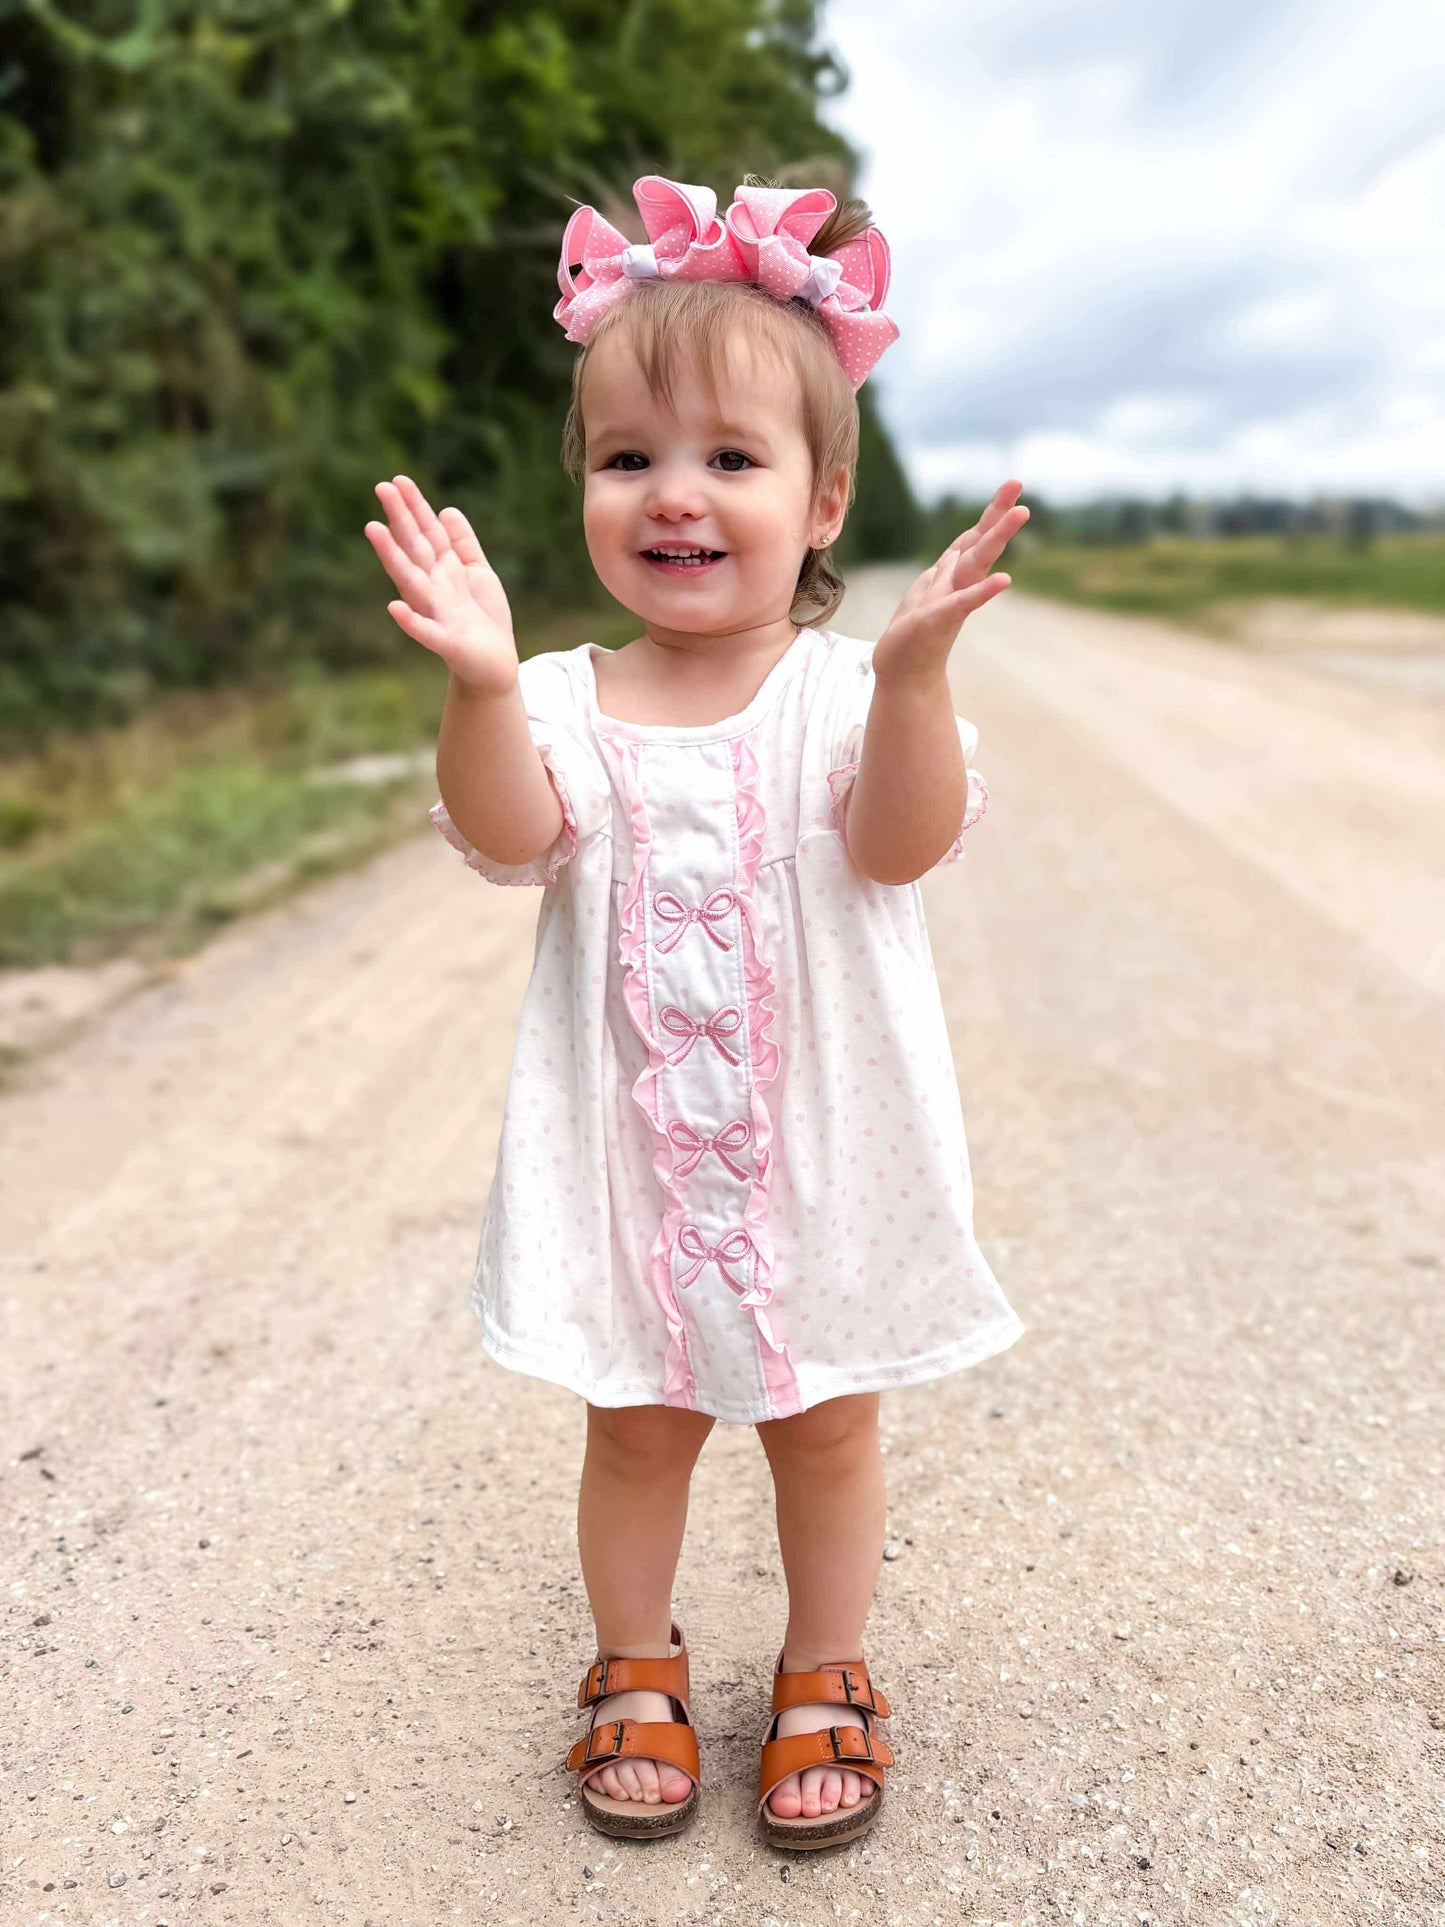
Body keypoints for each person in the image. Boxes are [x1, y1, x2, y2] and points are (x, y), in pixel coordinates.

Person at [364, 173, 1028, 1851]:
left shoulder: (838, 693)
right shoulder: (570, 700)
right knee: (637, 1422)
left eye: (731, 458)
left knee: (824, 1426)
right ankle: (635, 1658)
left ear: (822, 504)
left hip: (820, 1147)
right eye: (627, 458)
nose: (676, 495)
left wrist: (918, 679)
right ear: (582, 484)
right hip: (637, 1158)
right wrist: (476, 687)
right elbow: (510, 838)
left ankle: (825, 1667)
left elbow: (901, 842)